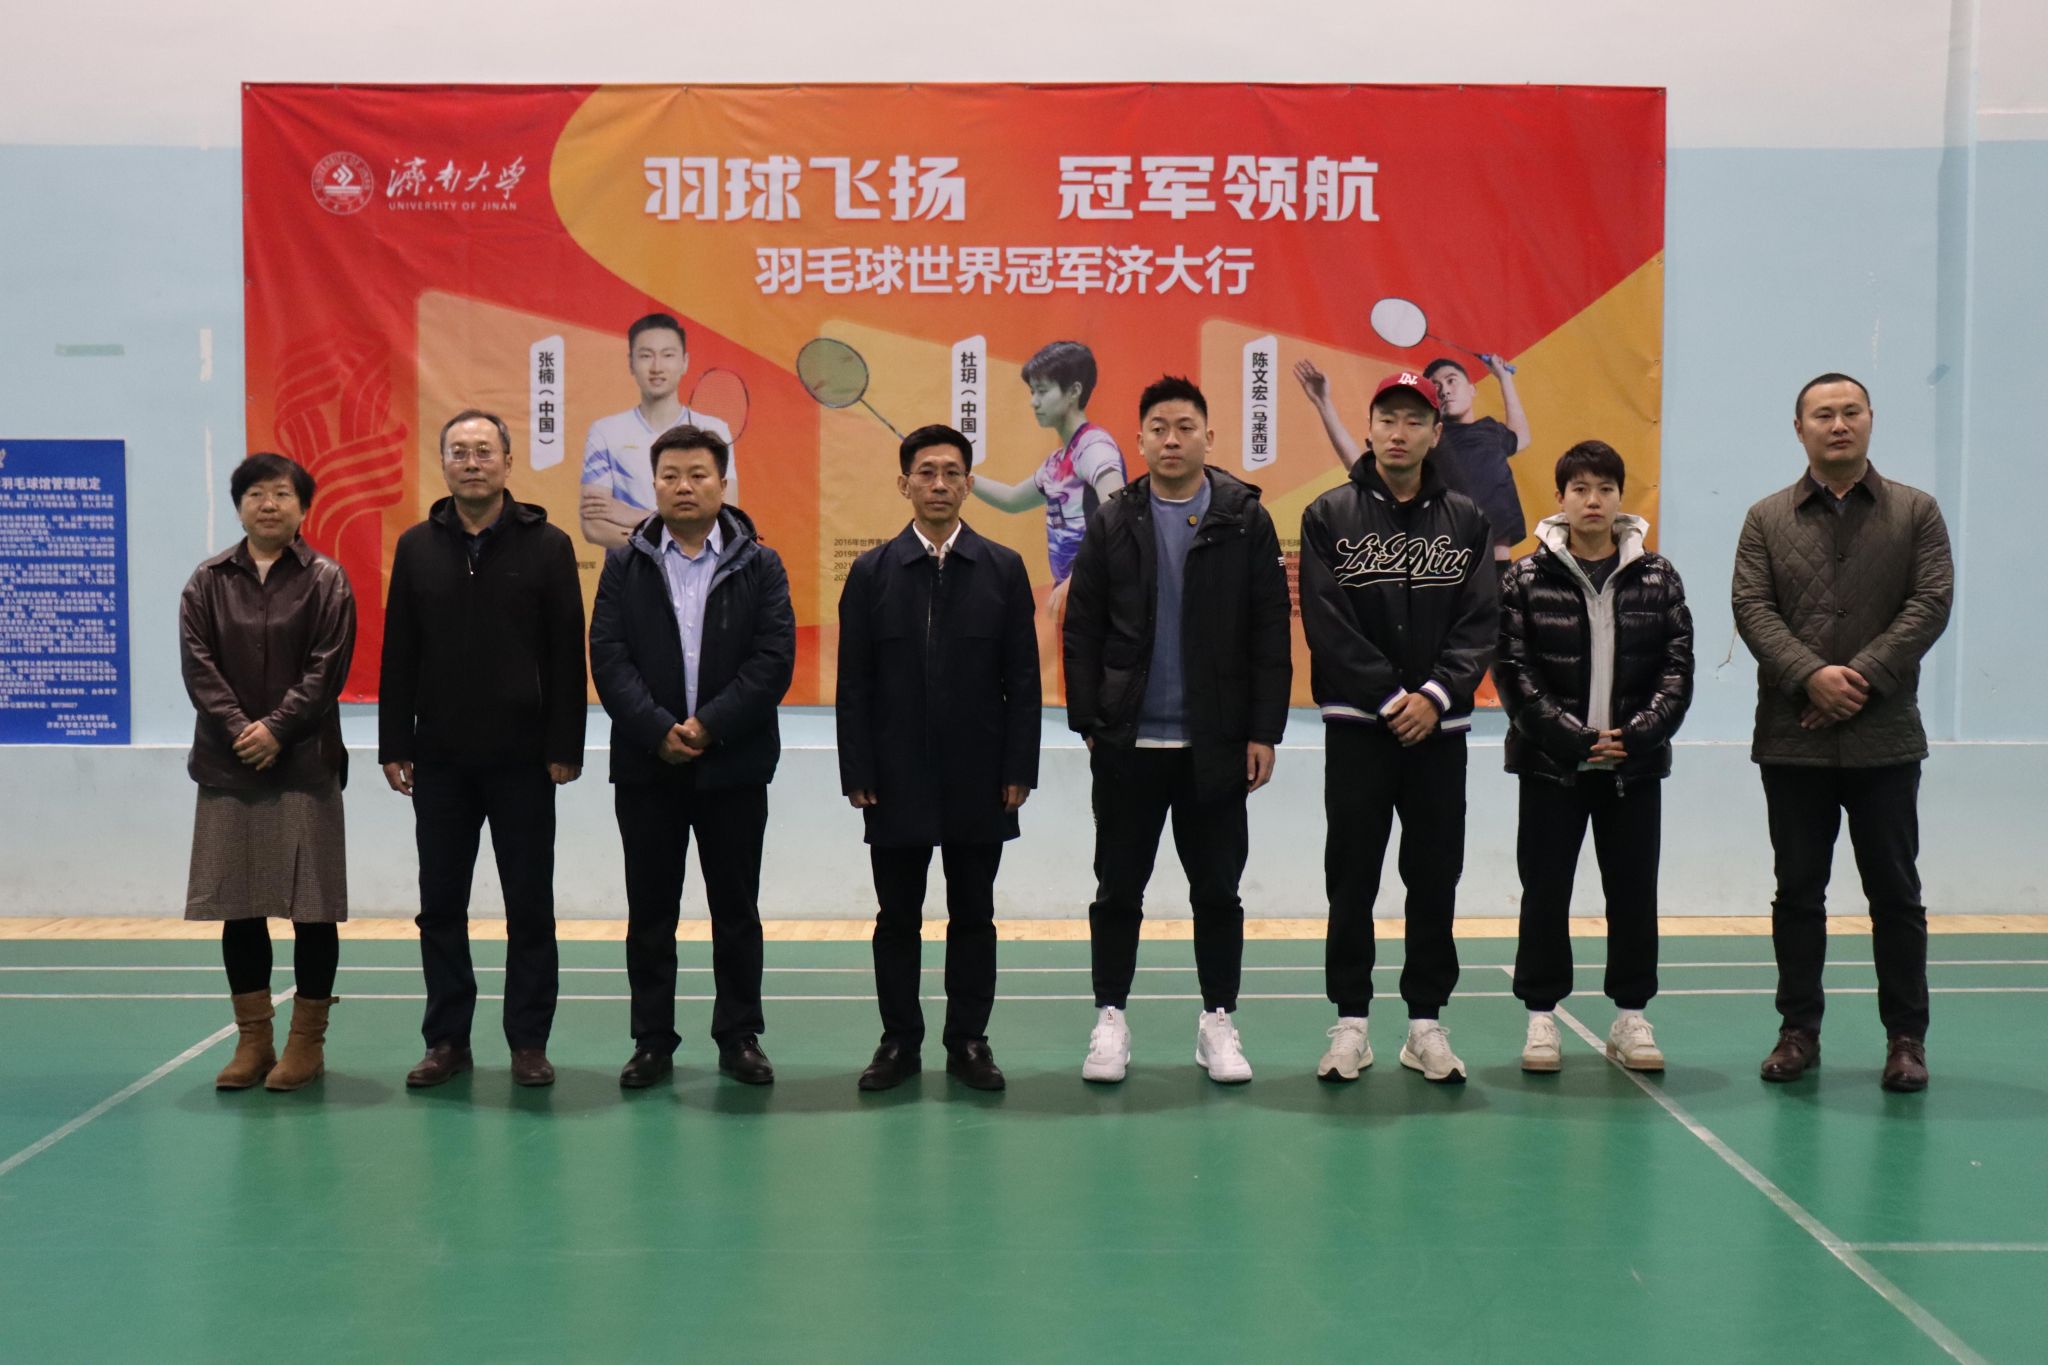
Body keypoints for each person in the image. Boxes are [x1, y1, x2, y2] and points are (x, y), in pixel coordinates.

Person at [1063, 375, 1292, 1085]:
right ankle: (1110, 1018)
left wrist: (1263, 730)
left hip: (1214, 747)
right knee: (1117, 891)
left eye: (1185, 427)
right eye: (1158, 428)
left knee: (1218, 892)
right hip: (1128, 744)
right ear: (1138, 440)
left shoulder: (1244, 519)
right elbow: (1082, 628)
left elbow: (1269, 630)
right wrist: (1090, 721)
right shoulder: (1113, 520)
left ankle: (1217, 1020)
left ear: (1208, 437)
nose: (1171, 439)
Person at [1733, 373, 1953, 1092]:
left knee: (1896, 895)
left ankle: (1906, 1039)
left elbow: (1930, 602)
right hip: (1791, 739)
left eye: (1850, 411)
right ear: (1798, 428)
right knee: (1798, 892)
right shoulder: (1765, 518)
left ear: (1870, 420)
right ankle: (1798, 1031)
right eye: (1822, 414)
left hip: (1885, 739)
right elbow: (1752, 608)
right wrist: (1810, 676)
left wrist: (1854, 678)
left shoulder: (1916, 512)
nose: (1838, 424)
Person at [1297, 372, 1498, 1085]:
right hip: (1360, 729)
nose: (1399, 431)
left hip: (1439, 734)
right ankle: (1351, 1022)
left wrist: (1436, 695)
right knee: (1351, 876)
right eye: (1387, 418)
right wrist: (1390, 698)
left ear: (1436, 434)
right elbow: (1327, 620)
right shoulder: (1328, 514)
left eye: (1415, 420)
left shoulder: (1468, 521)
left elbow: (1481, 620)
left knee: (1434, 875)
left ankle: (1424, 1024)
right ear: (1370, 427)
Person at [380, 410, 587, 1089]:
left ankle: (528, 1042)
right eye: (459, 452)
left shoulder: (548, 545)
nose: (472, 463)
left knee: (529, 906)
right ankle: (446, 1040)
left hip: (524, 759)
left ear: (508, 462)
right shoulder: (417, 546)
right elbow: (399, 651)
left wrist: (565, 744)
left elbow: (567, 652)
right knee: (440, 906)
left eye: (484, 451)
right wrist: (394, 741)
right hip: (439, 760)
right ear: (443, 463)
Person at [590, 424, 795, 1089]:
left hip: (734, 765)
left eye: (698, 474)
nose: (684, 486)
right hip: (648, 766)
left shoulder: (760, 564)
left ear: (722, 482)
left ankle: (740, 1036)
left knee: (736, 911)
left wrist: (708, 726)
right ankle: (652, 1041)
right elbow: (608, 657)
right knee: (651, 913)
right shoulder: (624, 563)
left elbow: (772, 661)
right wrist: (658, 730)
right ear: (653, 484)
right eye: (671, 475)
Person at [837, 424, 1040, 1092]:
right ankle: (899, 1041)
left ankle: (969, 1041)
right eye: (926, 472)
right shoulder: (872, 573)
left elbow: (1023, 680)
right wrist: (858, 771)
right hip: (894, 779)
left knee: (974, 915)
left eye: (952, 472)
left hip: (980, 778)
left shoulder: (1003, 569)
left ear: (969, 484)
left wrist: (1019, 769)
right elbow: (854, 683)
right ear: (904, 484)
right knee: (897, 918)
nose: (939, 484)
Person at [1494, 440, 1693, 1073]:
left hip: (1633, 768)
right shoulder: (1524, 577)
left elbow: (1676, 671)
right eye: (1580, 488)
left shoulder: (1658, 577)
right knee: (1544, 893)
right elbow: (1514, 672)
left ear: (1619, 497)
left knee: (1633, 894)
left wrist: (1637, 734)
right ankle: (1541, 1017)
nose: (1593, 500)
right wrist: (1572, 738)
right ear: (1560, 499)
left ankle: (1631, 1017)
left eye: (1605, 488)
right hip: (1551, 766)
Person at [180, 453, 356, 1093]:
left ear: (303, 508)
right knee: (240, 907)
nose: (269, 504)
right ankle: (253, 1041)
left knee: (314, 910)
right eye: (255, 493)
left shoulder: (327, 581)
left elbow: (327, 668)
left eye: (282, 493)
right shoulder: (206, 582)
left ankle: (306, 1045)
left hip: (304, 766)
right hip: (230, 767)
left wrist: (277, 729)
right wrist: (240, 730)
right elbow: (198, 666)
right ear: (239, 506)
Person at [1294, 352, 1532, 564]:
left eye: (1451, 380)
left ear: (1472, 389)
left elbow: (1521, 438)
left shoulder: (1491, 430)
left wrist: (1504, 378)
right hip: (1451, 566)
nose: (1445, 390)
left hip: (1500, 566)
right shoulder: (1428, 439)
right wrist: (1324, 404)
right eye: (1436, 387)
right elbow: (1360, 466)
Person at [967, 340, 1127, 614]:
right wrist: (964, 477)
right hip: (1074, 599)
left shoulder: (1094, 448)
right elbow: (1013, 499)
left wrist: (1078, 579)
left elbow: (1121, 520)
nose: (1034, 402)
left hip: (1101, 599)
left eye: (1042, 391)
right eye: (1032, 392)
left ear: (1074, 391)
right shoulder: (1056, 462)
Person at [580, 313, 738, 548]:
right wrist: (675, 538)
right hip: (629, 571)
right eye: (646, 356)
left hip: (702, 569)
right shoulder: (604, 431)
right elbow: (594, 527)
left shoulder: (714, 430)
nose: (656, 367)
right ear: (630, 362)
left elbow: (727, 518)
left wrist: (632, 515)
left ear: (684, 362)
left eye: (668, 355)